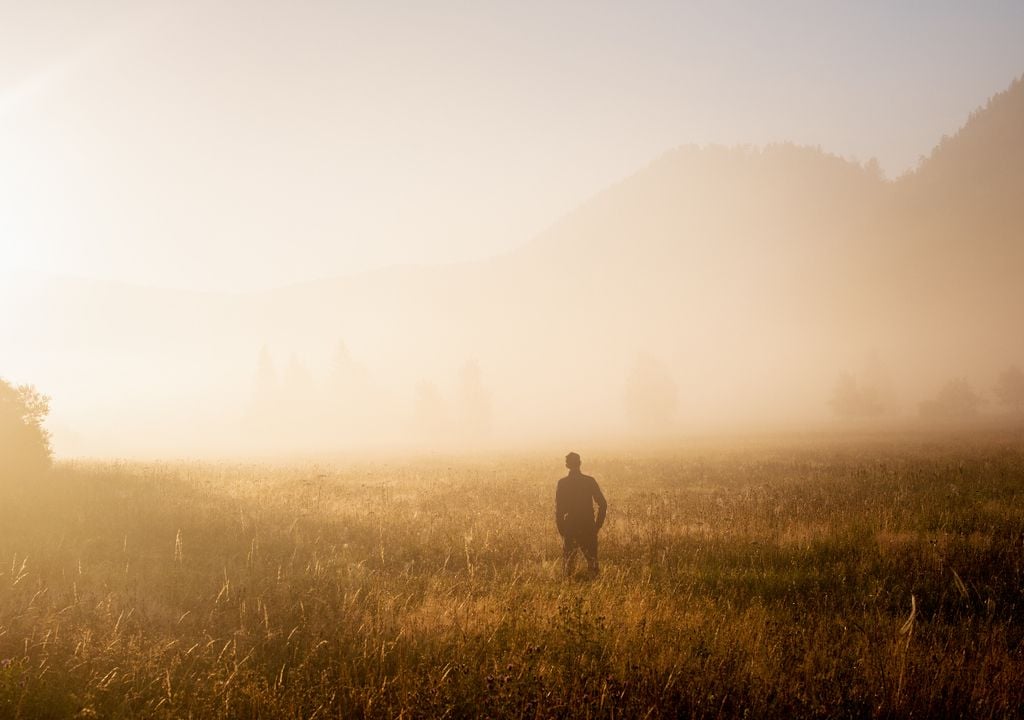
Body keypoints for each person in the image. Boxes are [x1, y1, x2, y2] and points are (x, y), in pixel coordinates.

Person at [555, 451, 607, 577]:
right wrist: (597, 526)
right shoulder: (589, 481)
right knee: (593, 564)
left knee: (568, 567)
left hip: (570, 526)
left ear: (567, 465)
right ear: (580, 463)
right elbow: (603, 504)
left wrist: (562, 529)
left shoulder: (562, 483)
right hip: (588, 525)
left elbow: (559, 510)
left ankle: (569, 590)